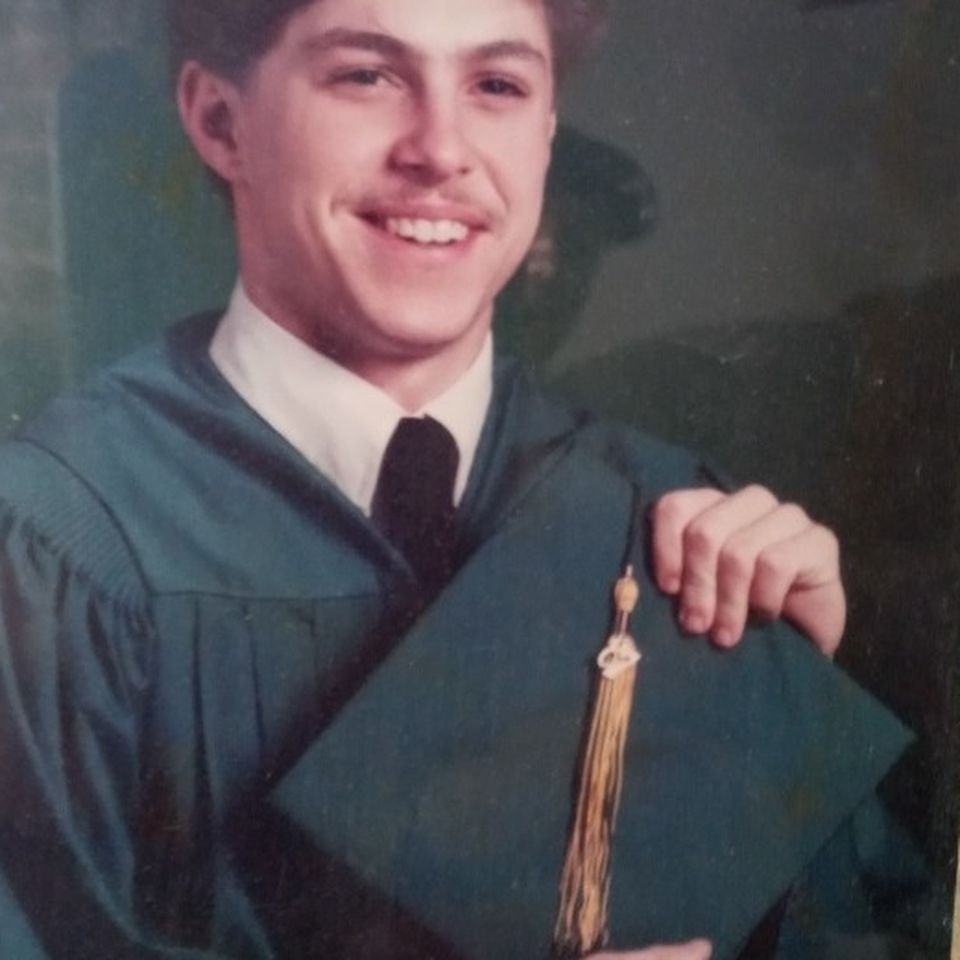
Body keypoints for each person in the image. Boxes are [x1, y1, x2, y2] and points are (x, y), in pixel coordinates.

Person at [0, 1, 918, 958]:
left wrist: (779, 700)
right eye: (367, 75)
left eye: (497, 85)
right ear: (220, 121)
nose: (441, 150)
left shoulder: (670, 527)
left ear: (547, 133)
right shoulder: (58, 546)